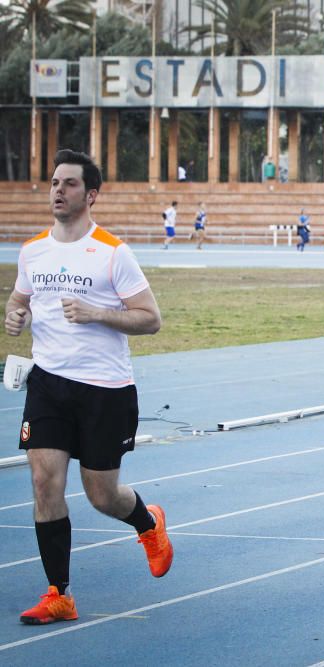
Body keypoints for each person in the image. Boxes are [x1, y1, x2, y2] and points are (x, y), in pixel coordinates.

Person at [4, 149, 173, 625]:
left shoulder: (113, 252)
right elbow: (20, 302)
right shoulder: (34, 249)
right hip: (49, 385)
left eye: (69, 183)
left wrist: (99, 312)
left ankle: (148, 522)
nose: (58, 190)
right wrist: (16, 315)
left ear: (91, 194)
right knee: (43, 482)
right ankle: (59, 593)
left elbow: (151, 320)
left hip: (105, 389)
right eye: (54, 183)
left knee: (103, 495)